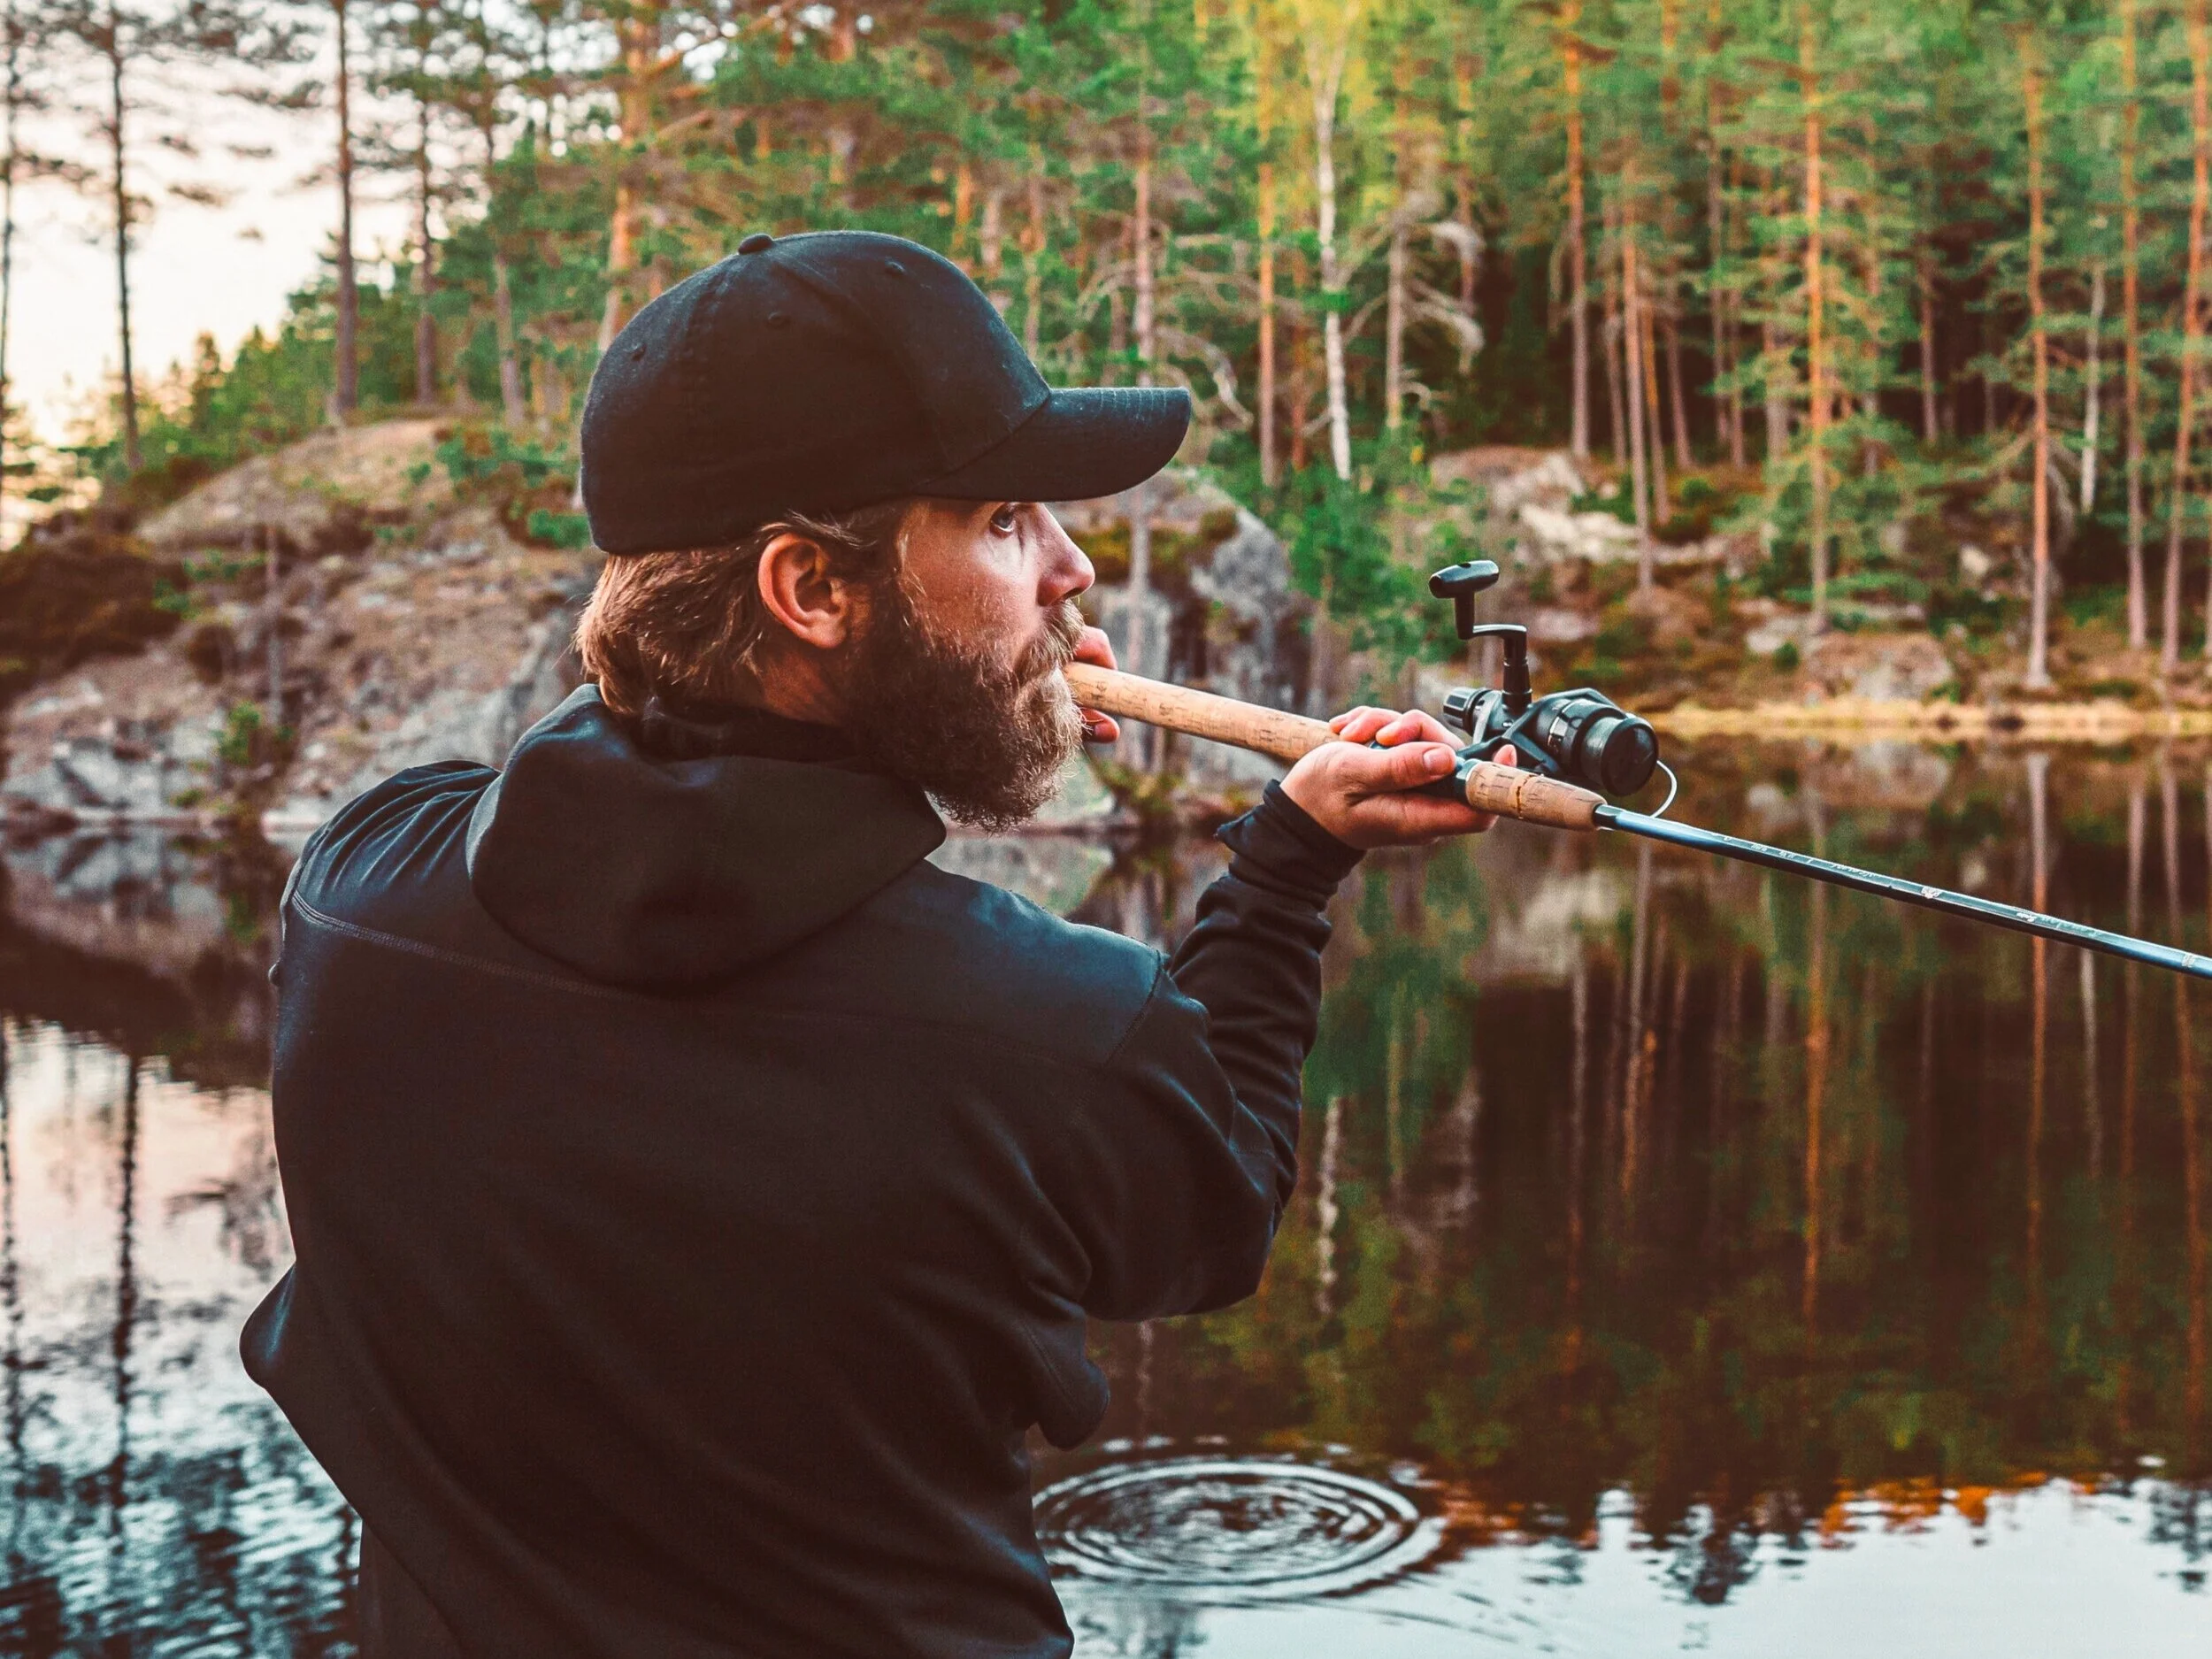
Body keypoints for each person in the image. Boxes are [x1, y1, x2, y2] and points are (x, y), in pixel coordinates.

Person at [242, 229, 1510, 1658]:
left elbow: (612, 778)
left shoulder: (353, 890)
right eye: (1005, 519)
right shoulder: (1048, 1031)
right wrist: (1289, 862)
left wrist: (946, 693)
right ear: (813, 591)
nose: (1073, 568)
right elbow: (1217, 1209)